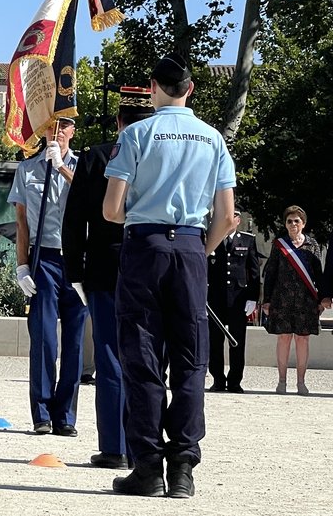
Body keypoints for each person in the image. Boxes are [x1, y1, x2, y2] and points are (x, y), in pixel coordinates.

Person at [102, 52, 238, 498]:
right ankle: (183, 467)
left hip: (146, 246)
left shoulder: (137, 134)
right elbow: (227, 215)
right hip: (192, 250)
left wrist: (146, 224)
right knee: (190, 360)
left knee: (141, 359)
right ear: (191, 89)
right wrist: (203, 248)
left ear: (153, 88)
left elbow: (111, 209)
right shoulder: (213, 140)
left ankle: (147, 467)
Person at [62, 86, 154, 469]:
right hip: (150, 268)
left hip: (103, 270)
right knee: (147, 358)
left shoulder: (96, 157)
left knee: (110, 357)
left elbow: (74, 219)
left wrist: (74, 270)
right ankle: (143, 447)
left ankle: (114, 447)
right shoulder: (158, 157)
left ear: (118, 121)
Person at [8, 117, 85, 436]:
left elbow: (91, 201)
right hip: (45, 257)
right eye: (52, 126)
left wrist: (63, 169)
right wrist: (22, 265)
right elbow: (22, 223)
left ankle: (65, 415)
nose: (58, 133)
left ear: (72, 131)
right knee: (43, 338)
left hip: (77, 258)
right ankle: (41, 412)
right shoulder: (27, 170)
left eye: (64, 126)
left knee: (75, 341)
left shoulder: (83, 167)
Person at [262, 205, 329, 396]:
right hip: (281, 299)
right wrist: (266, 300)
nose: (293, 224)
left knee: (302, 340)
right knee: (283, 338)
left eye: (296, 221)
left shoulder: (312, 245)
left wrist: (321, 299)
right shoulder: (279, 244)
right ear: (285, 224)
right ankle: (282, 381)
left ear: (303, 224)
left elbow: (319, 274)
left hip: (306, 301)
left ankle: (301, 382)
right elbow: (270, 274)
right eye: (289, 221)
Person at [207, 210, 261, 394]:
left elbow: (253, 272)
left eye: (233, 216)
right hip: (215, 299)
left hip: (238, 299)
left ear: (238, 220)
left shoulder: (247, 240)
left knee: (237, 341)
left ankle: (235, 381)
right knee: (215, 341)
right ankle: (218, 380)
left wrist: (253, 298)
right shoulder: (211, 238)